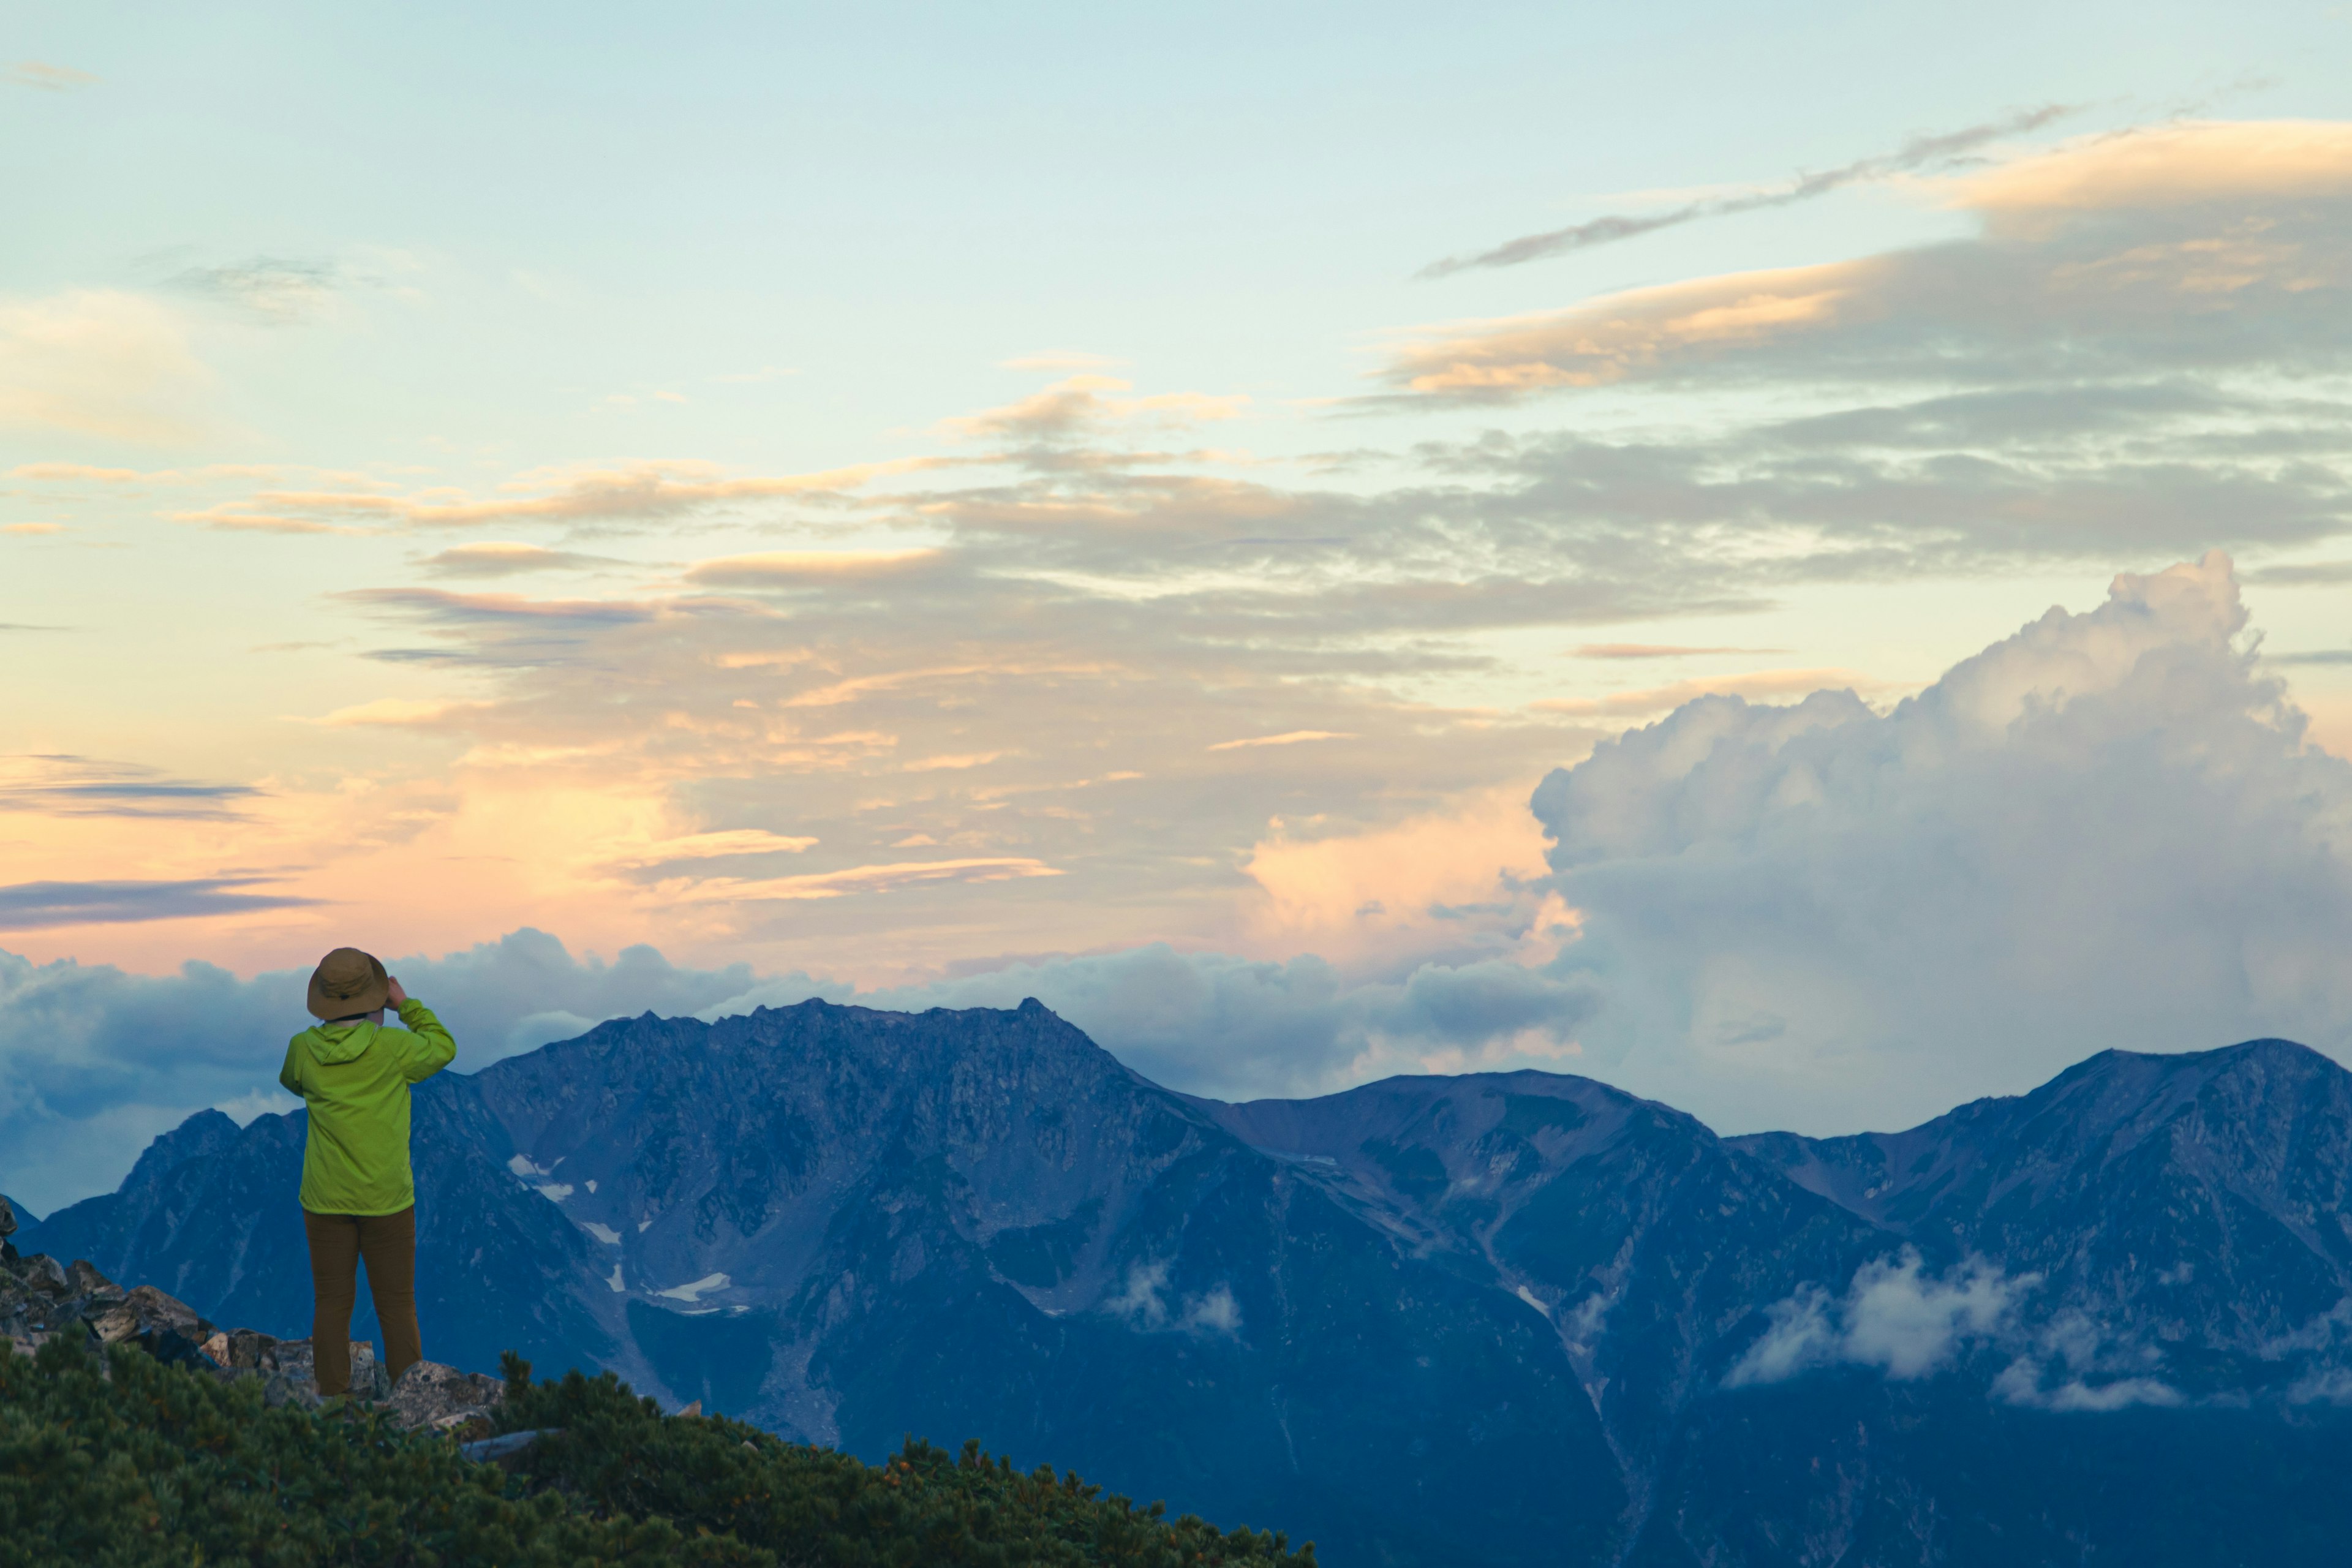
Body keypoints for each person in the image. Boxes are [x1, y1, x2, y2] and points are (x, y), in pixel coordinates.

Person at [278, 946, 456, 1400]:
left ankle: (333, 1407)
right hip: (387, 1199)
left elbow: (292, 1082)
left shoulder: (303, 1049)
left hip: (324, 1197)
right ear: (375, 996)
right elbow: (444, 1048)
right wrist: (407, 1007)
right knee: (396, 1304)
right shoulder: (395, 1049)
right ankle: (410, 1407)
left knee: (332, 1304)